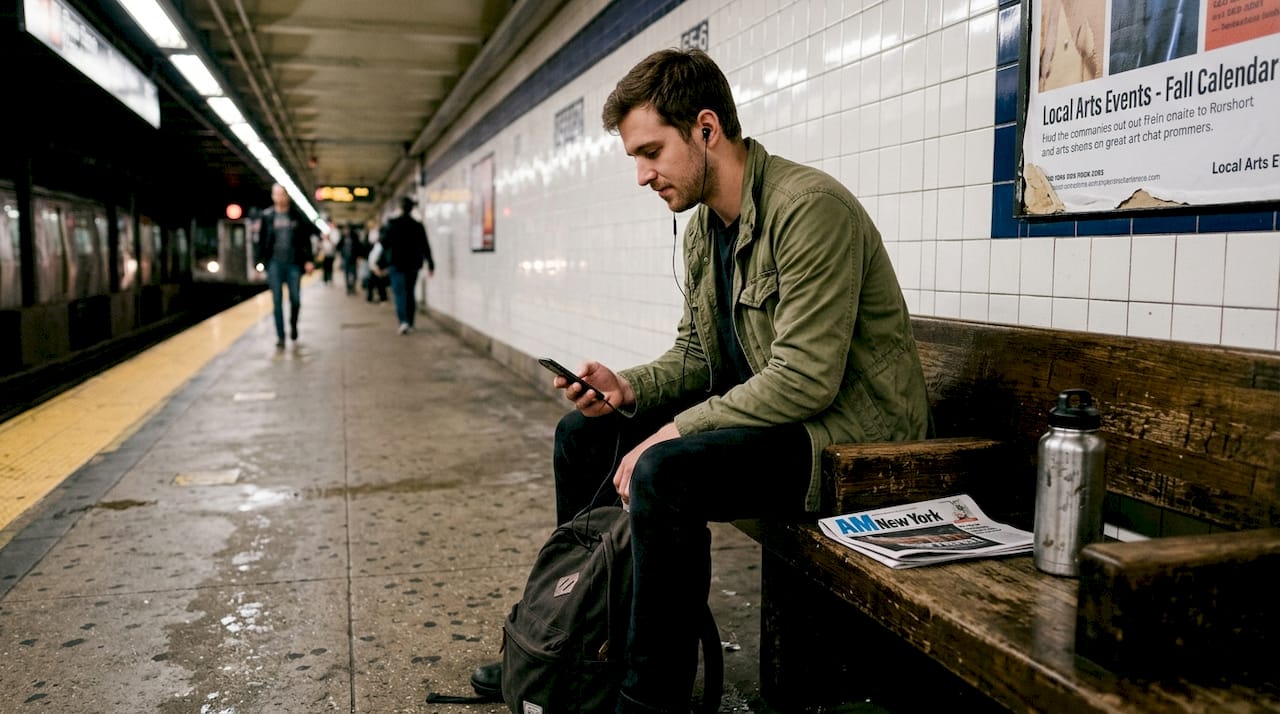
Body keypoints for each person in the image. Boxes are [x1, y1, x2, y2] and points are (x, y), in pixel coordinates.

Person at [470, 48, 932, 713]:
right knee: (581, 435)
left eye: (651, 151)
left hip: (848, 437)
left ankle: (645, 698)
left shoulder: (809, 209)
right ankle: (571, 640)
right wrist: (624, 389)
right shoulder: (701, 231)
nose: (641, 175)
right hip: (779, 419)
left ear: (707, 130)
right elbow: (696, 358)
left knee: (666, 474)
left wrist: (674, 429)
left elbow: (804, 380)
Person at [255, 183, 317, 348]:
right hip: (274, 264)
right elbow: (261, 242)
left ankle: (293, 325)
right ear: (273, 196)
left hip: (293, 265)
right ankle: (281, 336)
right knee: (277, 301)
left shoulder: (296, 216)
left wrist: (309, 260)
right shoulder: (267, 216)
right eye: (277, 194)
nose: (280, 197)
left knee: (295, 300)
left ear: (287, 196)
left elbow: (305, 240)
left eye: (283, 194)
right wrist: (259, 263)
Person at [378, 195, 435, 334]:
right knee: (410, 292)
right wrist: (431, 263)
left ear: (400, 208)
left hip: (396, 264)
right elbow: (425, 246)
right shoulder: (417, 226)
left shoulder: (392, 224)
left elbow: (383, 242)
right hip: (413, 264)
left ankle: (403, 322)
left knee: (399, 293)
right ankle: (411, 322)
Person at [338, 223, 364, 295]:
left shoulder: (354, 237)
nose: (345, 231)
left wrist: (359, 256)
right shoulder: (343, 237)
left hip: (353, 258)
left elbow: (359, 246)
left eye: (347, 229)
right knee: (346, 274)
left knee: (354, 274)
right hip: (346, 259)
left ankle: (353, 288)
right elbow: (338, 246)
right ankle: (348, 288)